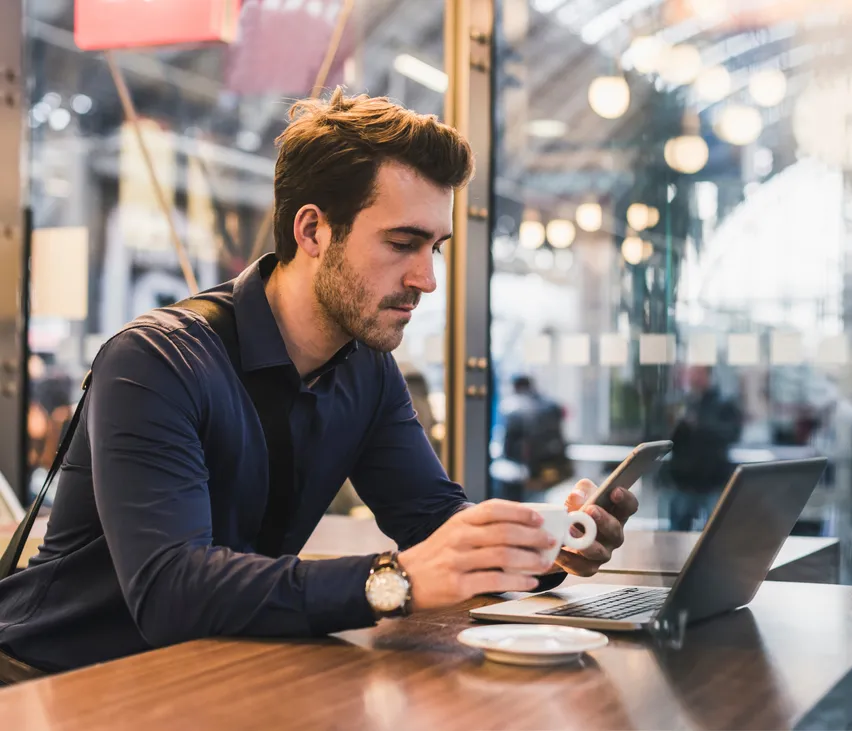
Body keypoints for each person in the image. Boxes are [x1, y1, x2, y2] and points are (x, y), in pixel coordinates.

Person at [0, 89, 638, 676]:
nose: (426, 279)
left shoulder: (368, 372)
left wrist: (551, 546)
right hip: (59, 683)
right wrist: (398, 580)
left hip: (217, 674)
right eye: (401, 243)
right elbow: (171, 592)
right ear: (312, 230)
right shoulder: (156, 361)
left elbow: (435, 525)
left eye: (434, 248)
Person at [666, 366, 742, 531]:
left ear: (708, 375)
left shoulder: (723, 405)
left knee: (714, 533)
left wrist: (699, 426)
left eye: (699, 373)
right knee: (677, 533)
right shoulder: (685, 403)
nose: (694, 378)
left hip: (711, 482)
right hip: (684, 482)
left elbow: (731, 434)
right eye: (693, 373)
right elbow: (671, 438)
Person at [492, 375, 573, 502]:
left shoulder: (512, 408)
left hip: (525, 473)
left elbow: (508, 447)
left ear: (515, 387)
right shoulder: (552, 404)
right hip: (554, 469)